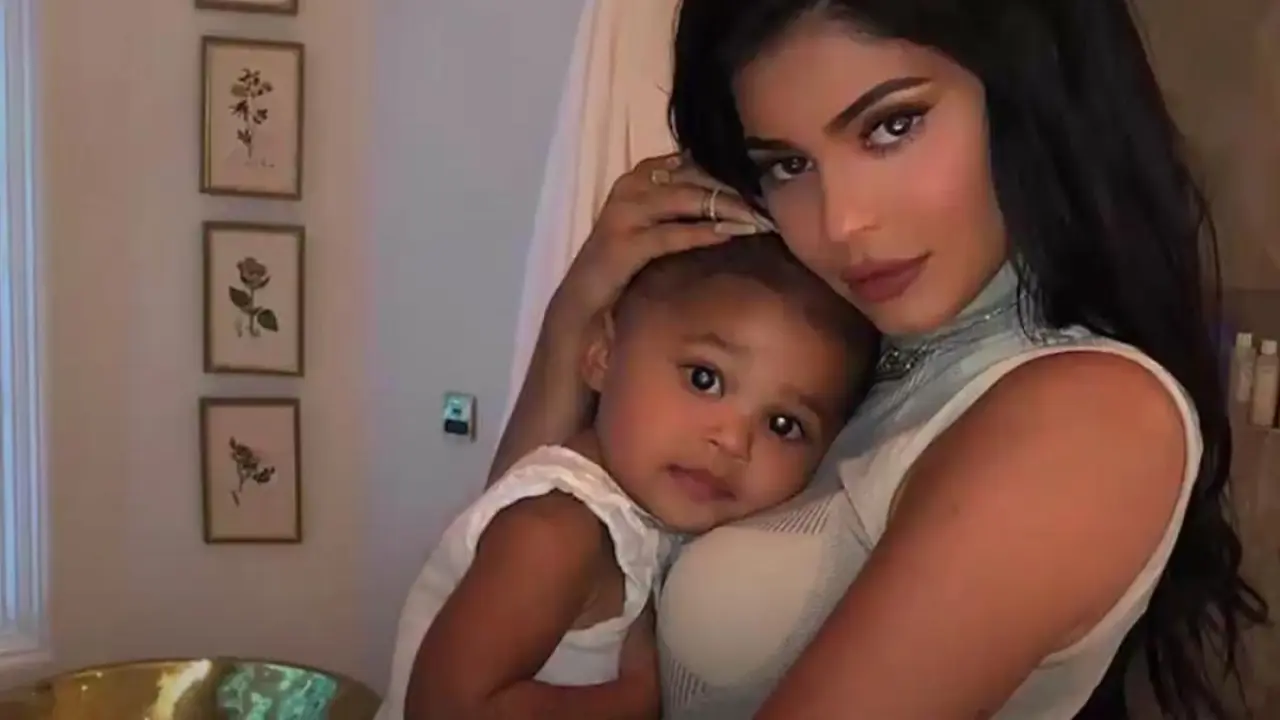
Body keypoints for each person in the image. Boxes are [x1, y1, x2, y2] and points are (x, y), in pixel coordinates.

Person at [492, 0, 1270, 718]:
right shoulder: (844, 349)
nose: (842, 222)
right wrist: (578, 313)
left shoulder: (1088, 414)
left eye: (892, 126)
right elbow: (499, 572)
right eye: (787, 164)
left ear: (1027, 92)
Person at [378, 233, 877, 719]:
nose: (732, 440)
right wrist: (640, 700)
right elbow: (445, 709)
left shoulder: (643, 519)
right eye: (704, 379)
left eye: (783, 425)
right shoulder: (557, 529)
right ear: (602, 354)